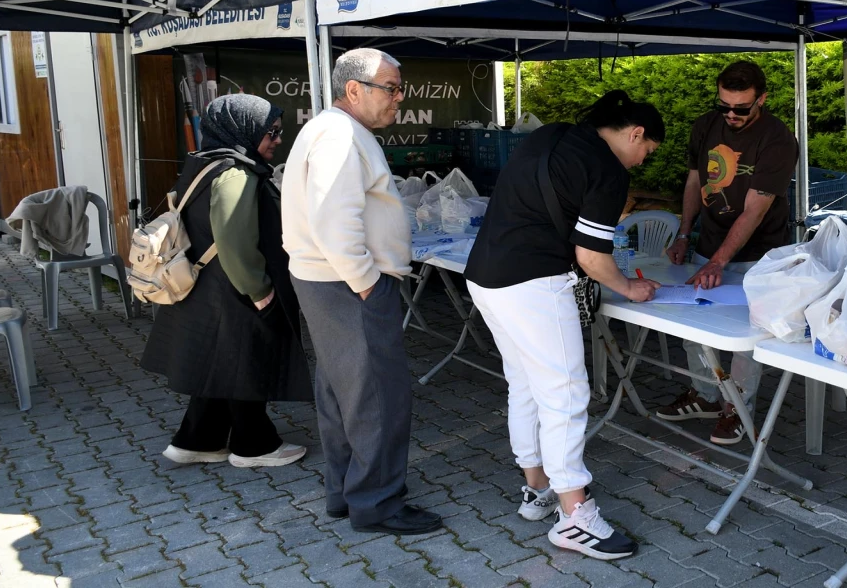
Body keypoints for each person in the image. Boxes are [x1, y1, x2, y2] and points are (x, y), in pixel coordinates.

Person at [464, 91, 664, 561]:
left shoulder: (552, 135)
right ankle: (576, 516)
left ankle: (537, 491)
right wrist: (629, 288)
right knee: (567, 393)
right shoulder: (607, 169)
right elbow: (592, 257)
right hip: (533, 283)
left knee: (527, 384)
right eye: (647, 152)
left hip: (485, 275)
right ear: (635, 134)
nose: (641, 162)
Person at [281, 48, 442, 536]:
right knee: (376, 395)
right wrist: (367, 281)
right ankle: (377, 503)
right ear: (355, 90)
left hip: (330, 280)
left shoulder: (335, 131)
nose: (399, 98)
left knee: (341, 391)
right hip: (346, 284)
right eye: (390, 88)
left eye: (399, 88)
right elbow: (335, 219)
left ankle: (346, 491)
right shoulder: (339, 135)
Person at [142, 94, 311, 468]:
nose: (278, 140)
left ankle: (197, 440)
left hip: (211, 288)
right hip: (233, 289)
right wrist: (260, 290)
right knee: (244, 363)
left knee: (222, 362)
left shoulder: (208, 163)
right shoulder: (234, 174)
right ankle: (254, 446)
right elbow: (234, 241)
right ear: (244, 130)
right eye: (272, 132)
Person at [660, 60, 798, 445]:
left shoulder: (778, 139)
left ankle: (737, 409)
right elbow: (694, 181)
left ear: (762, 99)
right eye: (725, 106)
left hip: (758, 255)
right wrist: (684, 233)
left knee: (743, 339)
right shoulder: (705, 125)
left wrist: (721, 260)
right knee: (694, 327)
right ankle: (704, 395)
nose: (732, 115)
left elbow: (756, 208)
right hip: (708, 245)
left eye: (742, 108)